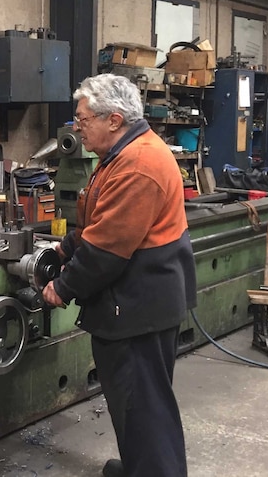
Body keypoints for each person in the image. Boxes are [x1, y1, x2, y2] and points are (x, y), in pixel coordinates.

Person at [42, 73, 196, 477]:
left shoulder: (138, 164)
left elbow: (107, 250)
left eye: (83, 119)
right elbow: (99, 222)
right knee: (134, 406)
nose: (78, 128)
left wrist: (62, 287)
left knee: (144, 410)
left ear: (113, 119)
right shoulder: (122, 156)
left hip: (138, 307)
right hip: (136, 303)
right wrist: (64, 249)